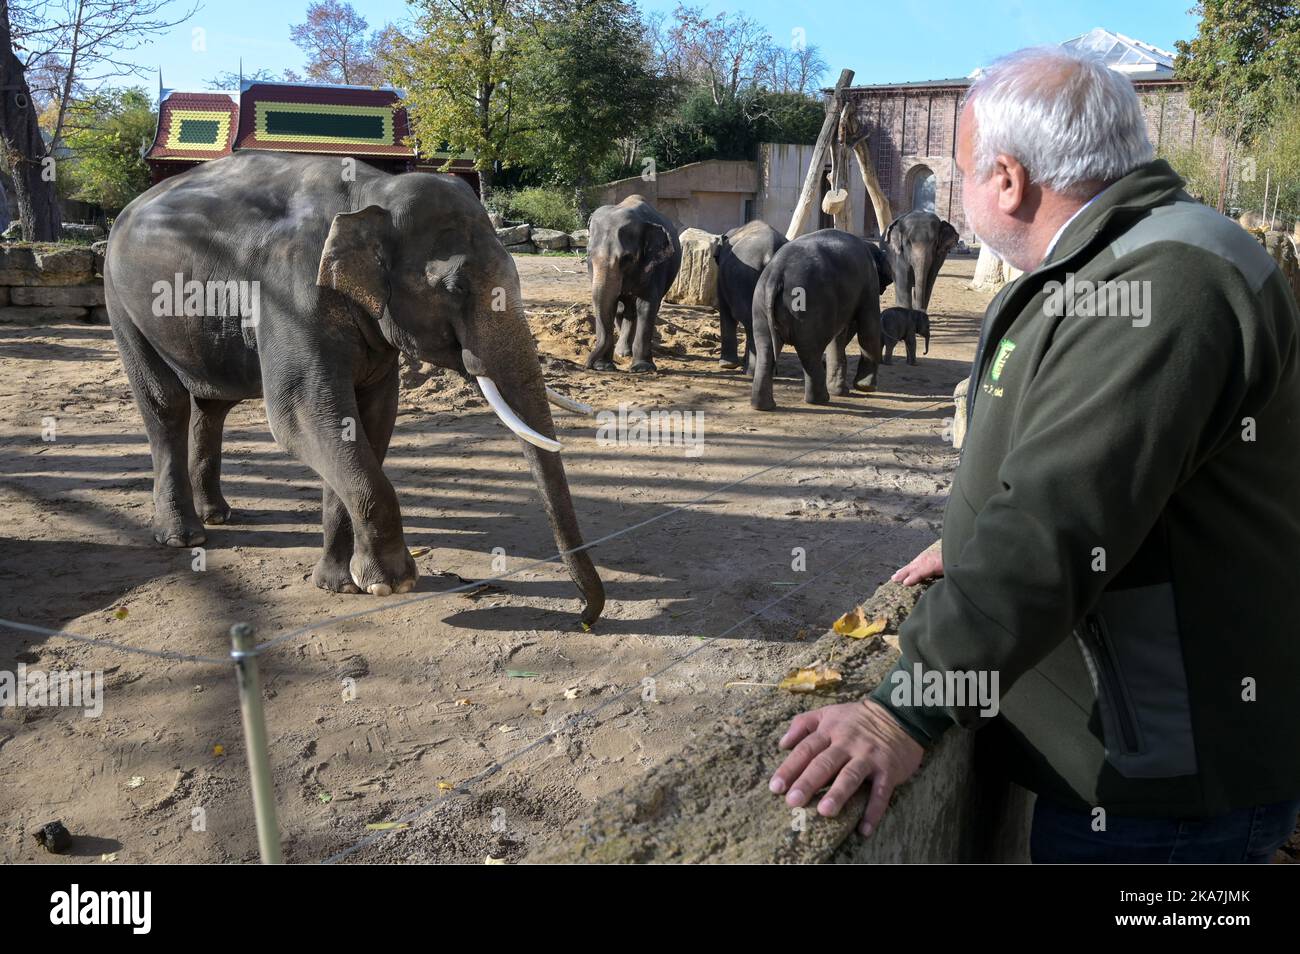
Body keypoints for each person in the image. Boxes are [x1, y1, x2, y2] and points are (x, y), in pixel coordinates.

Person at [770, 45, 1300, 863]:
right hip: (1126, 763)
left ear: (1009, 180)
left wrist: (902, 709)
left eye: (963, 173)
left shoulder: (1166, 284)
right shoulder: (1112, 263)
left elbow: (1057, 520)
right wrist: (975, 529)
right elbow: (1102, 469)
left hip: (1159, 799)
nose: (962, 192)